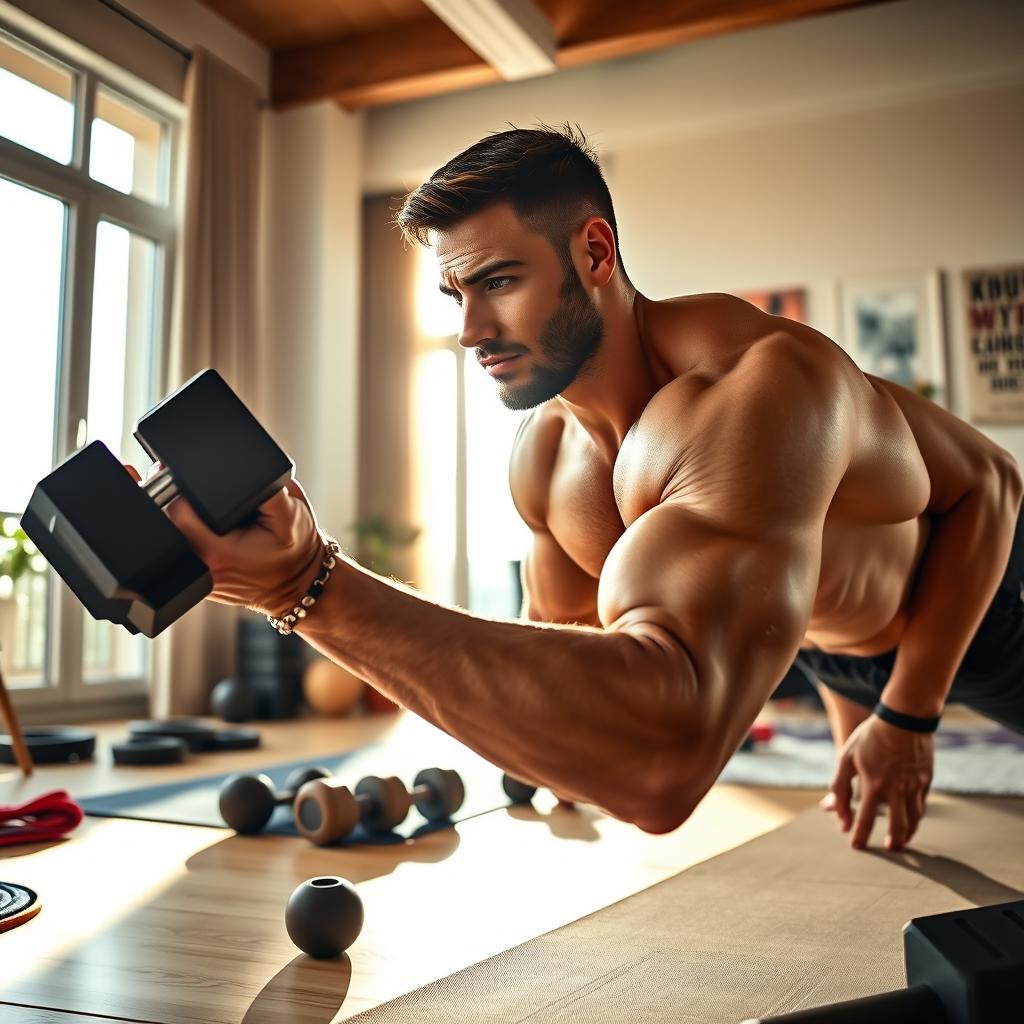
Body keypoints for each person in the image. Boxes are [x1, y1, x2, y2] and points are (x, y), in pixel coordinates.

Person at [150, 125, 1024, 853]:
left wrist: (909, 717)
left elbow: (989, 480)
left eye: (498, 281)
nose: (469, 330)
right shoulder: (546, 460)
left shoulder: (764, 385)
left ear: (594, 252)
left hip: (992, 603)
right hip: (828, 636)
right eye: (455, 293)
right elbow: (570, 668)